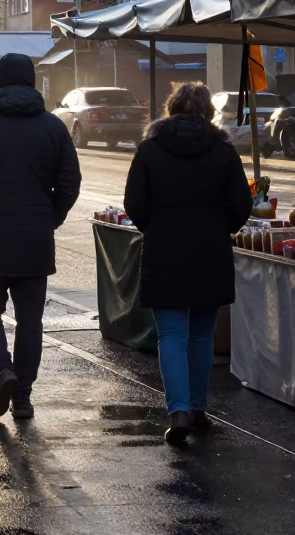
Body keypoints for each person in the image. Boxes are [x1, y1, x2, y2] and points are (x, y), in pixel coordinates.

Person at [0, 53, 82, 421]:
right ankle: (22, 397)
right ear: (32, 83)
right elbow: (70, 181)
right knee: (30, 320)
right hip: (35, 240)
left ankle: (1, 369)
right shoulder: (53, 127)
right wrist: (49, 217)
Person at [124, 83, 252, 445]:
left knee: (172, 335)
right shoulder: (224, 151)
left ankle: (178, 411)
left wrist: (157, 228)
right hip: (210, 251)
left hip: (165, 250)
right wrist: (218, 228)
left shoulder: (150, 149)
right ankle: (198, 409)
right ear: (209, 113)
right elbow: (241, 204)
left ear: (171, 109)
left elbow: (134, 201)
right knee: (201, 335)